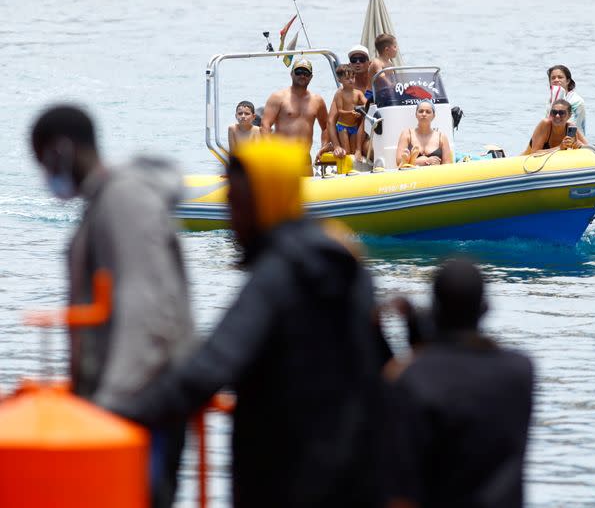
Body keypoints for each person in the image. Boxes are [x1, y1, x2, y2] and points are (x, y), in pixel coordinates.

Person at [110, 137, 389, 508]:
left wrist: (123, 413)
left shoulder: (279, 273)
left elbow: (211, 366)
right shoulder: (344, 260)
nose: (231, 218)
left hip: (284, 477)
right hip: (353, 471)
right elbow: (380, 365)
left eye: (238, 204)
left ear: (266, 201)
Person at [29, 105, 194, 508]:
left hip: (141, 404)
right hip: (125, 405)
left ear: (61, 150)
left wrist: (109, 408)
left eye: (43, 160)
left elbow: (146, 303)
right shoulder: (102, 203)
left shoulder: (123, 199)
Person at [383, 259, 534, 508]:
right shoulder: (520, 371)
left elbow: (402, 486)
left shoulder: (414, 380)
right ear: (485, 308)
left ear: (434, 312)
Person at [260, 58, 328, 174]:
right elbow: (265, 125)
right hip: (281, 158)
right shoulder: (278, 97)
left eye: (306, 73)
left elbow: (326, 127)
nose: (302, 76)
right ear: (291, 74)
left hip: (304, 159)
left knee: (307, 191)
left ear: (311, 77)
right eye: (298, 72)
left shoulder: (317, 101)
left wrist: (324, 146)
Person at [395, 100, 453, 167]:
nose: (424, 114)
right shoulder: (407, 134)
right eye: (421, 111)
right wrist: (425, 161)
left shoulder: (441, 137)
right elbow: (399, 162)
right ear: (416, 114)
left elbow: (448, 164)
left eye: (428, 112)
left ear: (433, 116)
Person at [328, 64, 368, 161]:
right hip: (342, 126)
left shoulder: (358, 93)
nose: (351, 80)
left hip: (353, 126)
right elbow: (340, 111)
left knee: (353, 151)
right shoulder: (339, 93)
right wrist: (351, 112)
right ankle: (330, 147)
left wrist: (361, 110)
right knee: (347, 151)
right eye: (347, 78)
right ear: (340, 80)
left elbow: (367, 104)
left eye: (352, 77)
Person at [523, 99, 588, 155]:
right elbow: (534, 153)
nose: (557, 116)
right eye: (554, 112)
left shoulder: (571, 128)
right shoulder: (545, 124)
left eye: (562, 113)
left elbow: (589, 149)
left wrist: (579, 146)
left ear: (569, 116)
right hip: (523, 162)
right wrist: (559, 148)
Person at [546, 64, 586, 134]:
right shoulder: (550, 100)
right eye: (553, 78)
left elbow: (572, 127)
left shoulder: (577, 101)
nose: (556, 80)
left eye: (560, 77)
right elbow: (547, 123)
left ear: (567, 81)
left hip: (573, 138)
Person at [367, 34, 399, 99]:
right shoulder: (377, 62)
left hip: (385, 92)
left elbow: (392, 79)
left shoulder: (390, 63)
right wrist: (391, 85)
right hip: (373, 94)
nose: (397, 49)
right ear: (387, 50)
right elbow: (382, 76)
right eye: (395, 47)